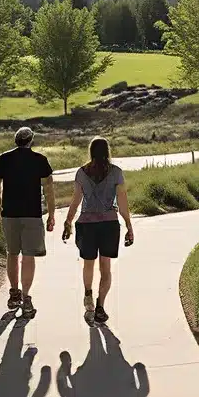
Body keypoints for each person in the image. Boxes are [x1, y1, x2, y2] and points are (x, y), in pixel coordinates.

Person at [63, 137, 133, 324]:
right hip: (109, 224)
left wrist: (68, 221)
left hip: (86, 224)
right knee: (105, 267)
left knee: (88, 264)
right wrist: (128, 225)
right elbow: (123, 202)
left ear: (91, 151)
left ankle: (88, 295)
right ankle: (100, 306)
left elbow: (76, 200)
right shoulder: (116, 173)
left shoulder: (81, 172)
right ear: (107, 151)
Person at [0, 126, 55, 317]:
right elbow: (49, 188)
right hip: (32, 214)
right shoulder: (39, 160)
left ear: (16, 140)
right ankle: (26, 298)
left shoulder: (4, 159)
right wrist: (52, 213)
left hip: (9, 214)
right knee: (28, 256)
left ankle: (13, 293)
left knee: (12, 253)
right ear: (31, 141)